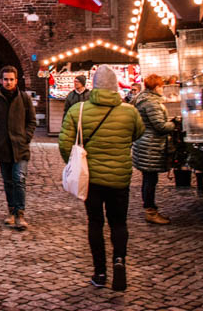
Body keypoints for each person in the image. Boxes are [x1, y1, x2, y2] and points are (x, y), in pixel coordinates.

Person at [59, 65, 144, 292]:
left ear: (94, 85)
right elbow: (139, 133)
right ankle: (119, 261)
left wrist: (74, 163)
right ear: (116, 85)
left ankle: (99, 272)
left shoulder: (79, 110)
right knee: (119, 222)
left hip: (92, 179)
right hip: (119, 179)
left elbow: (65, 143)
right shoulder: (130, 112)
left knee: (95, 223)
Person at [0, 66, 37, 230]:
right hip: (3, 147)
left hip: (20, 146)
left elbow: (32, 121)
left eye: (11, 79)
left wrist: (26, 137)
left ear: (16, 80)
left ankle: (20, 213)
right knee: (8, 182)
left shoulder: (24, 99)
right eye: (5, 79)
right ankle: (11, 211)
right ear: (1, 81)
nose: (8, 82)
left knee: (19, 179)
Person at [131, 74, 179, 225]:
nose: (163, 90)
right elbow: (160, 126)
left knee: (148, 178)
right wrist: (175, 123)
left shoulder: (142, 99)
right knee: (150, 179)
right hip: (151, 145)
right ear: (156, 87)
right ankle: (150, 210)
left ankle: (149, 208)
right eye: (161, 87)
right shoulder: (151, 103)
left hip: (144, 143)